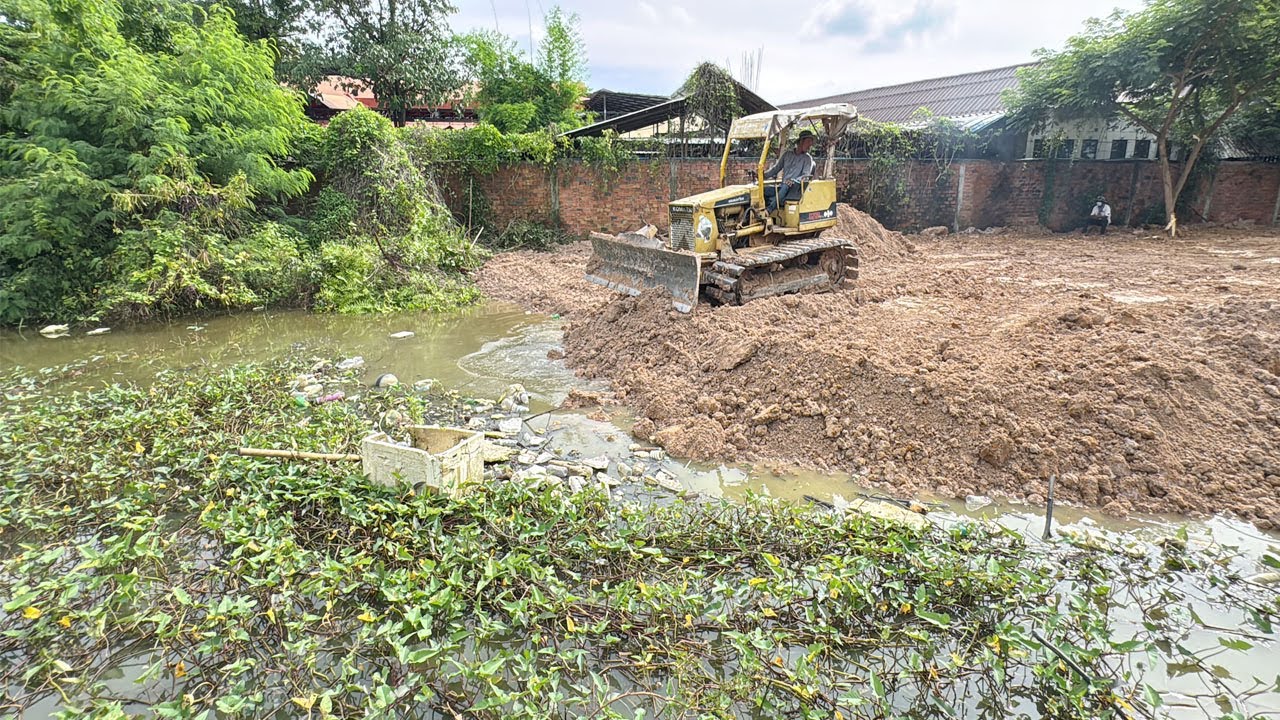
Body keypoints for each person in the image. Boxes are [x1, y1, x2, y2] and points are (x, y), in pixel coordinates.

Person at [763, 128, 817, 214]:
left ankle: (769, 210)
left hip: (794, 190)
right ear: (801, 141)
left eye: (811, 143)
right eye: (808, 142)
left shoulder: (807, 159)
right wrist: (763, 175)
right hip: (782, 188)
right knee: (763, 190)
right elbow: (776, 169)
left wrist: (793, 180)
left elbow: (805, 176)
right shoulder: (787, 155)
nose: (810, 145)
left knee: (786, 185)